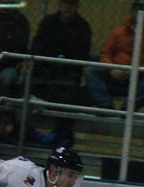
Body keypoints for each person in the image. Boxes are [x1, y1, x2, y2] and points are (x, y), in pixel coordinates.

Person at [84, 0, 144, 110]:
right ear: (132, 12)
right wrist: (112, 69)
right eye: (137, 11)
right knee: (91, 70)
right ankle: (106, 107)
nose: (140, 15)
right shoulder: (118, 32)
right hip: (116, 77)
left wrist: (139, 70)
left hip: (140, 81)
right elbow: (105, 53)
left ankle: (127, 110)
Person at [28, 0, 92, 145]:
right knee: (24, 87)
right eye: (65, 3)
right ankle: (24, 131)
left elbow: (82, 53)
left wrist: (65, 66)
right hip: (45, 71)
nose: (67, 7)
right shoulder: (48, 22)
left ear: (77, 6)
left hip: (68, 73)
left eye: (71, 4)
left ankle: (61, 134)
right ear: (59, 5)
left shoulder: (82, 27)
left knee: (70, 93)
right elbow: (37, 46)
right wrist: (46, 65)